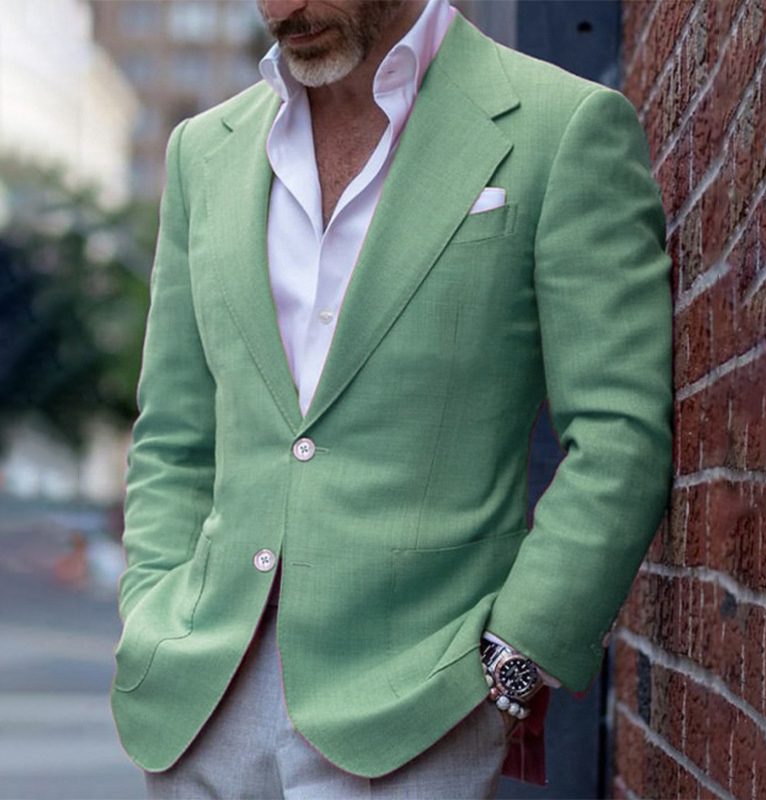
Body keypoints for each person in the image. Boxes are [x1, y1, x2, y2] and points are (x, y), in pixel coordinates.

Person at [111, 1, 673, 797]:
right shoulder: (202, 152)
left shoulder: (563, 127)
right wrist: (150, 613)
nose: (282, 9)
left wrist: (514, 661)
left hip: (419, 706)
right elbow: (174, 431)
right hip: (200, 701)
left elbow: (621, 433)